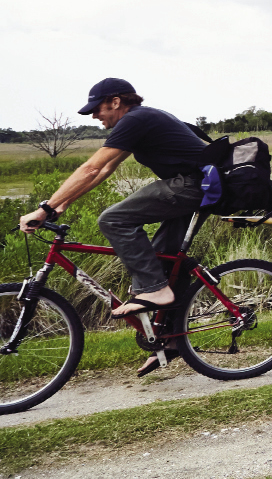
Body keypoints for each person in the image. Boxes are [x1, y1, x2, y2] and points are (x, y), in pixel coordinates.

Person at [19, 78, 208, 375]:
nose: (95, 115)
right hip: (196, 188)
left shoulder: (136, 118)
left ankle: (155, 293)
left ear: (116, 102)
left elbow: (91, 166)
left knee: (112, 219)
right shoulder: (140, 120)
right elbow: (105, 169)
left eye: (97, 108)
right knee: (162, 260)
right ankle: (171, 340)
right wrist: (60, 204)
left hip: (191, 186)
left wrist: (44, 208)